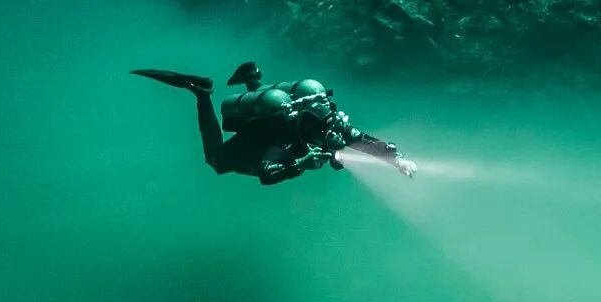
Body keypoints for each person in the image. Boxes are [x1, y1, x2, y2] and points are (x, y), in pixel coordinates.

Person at [132, 60, 417, 185]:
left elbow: (368, 144)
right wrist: (299, 165)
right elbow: (268, 175)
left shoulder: (333, 123)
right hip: (255, 135)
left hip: (272, 114)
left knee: (274, 103)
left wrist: (398, 160)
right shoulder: (288, 141)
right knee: (217, 162)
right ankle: (202, 94)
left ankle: (252, 78)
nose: (334, 142)